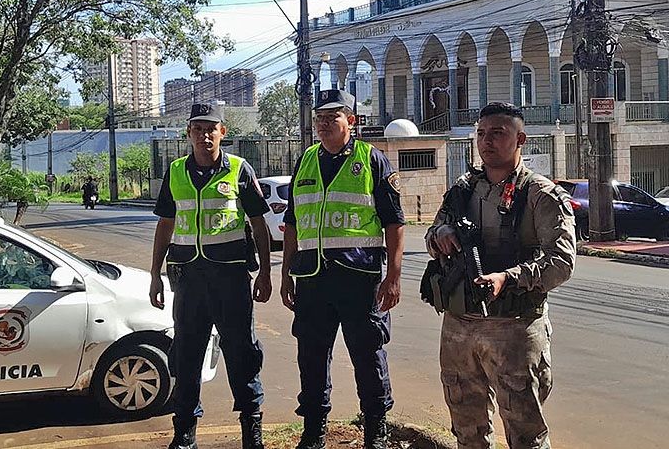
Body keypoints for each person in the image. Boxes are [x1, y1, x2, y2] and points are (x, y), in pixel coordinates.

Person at [424, 102, 576, 449]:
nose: (486, 141)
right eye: (481, 133)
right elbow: (431, 235)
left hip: (514, 326)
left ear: (520, 139)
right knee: (466, 428)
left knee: (525, 433)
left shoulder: (540, 195)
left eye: (497, 133)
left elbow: (562, 262)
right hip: (460, 325)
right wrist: (441, 235)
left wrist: (508, 278)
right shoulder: (463, 190)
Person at [280, 89, 405, 449]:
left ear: (351, 121)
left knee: (367, 357)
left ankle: (375, 431)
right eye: (318, 118)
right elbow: (292, 224)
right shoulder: (305, 161)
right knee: (312, 358)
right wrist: (287, 272)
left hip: (360, 280)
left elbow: (395, 224)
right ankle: (314, 431)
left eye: (332, 117)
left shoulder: (372, 160)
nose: (323, 124)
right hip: (312, 281)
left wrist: (393, 277)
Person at [149, 103, 273, 449]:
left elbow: (259, 223)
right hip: (188, 279)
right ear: (189, 133)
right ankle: (185, 434)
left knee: (242, 352)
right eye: (197, 129)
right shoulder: (175, 172)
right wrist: (155, 274)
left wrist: (265, 271)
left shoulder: (238, 169)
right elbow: (165, 225)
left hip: (230, 278)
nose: (204, 135)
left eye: (211, 128)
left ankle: (252, 430)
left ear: (223, 132)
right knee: (187, 354)